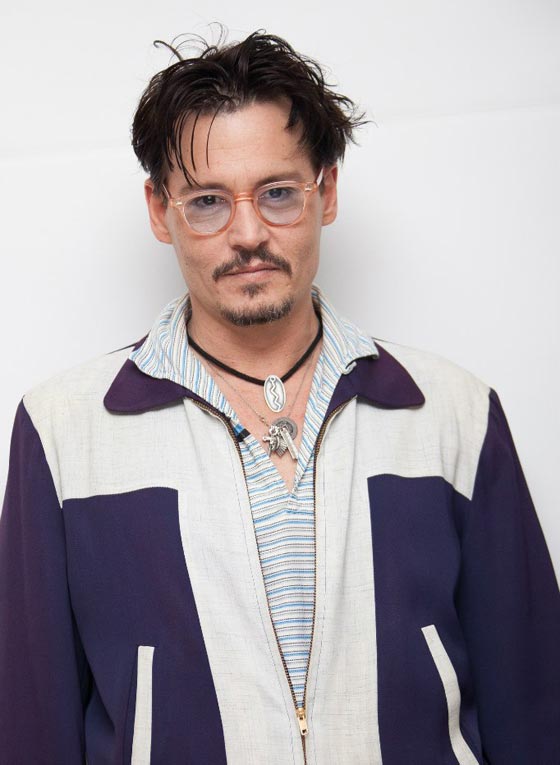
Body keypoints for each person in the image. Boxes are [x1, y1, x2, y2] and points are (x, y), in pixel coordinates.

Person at [0, 30, 558, 765]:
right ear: (160, 210)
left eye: (277, 194)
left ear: (326, 192)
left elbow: (534, 705)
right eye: (207, 201)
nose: (247, 234)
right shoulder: (64, 430)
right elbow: (31, 726)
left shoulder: (454, 413)